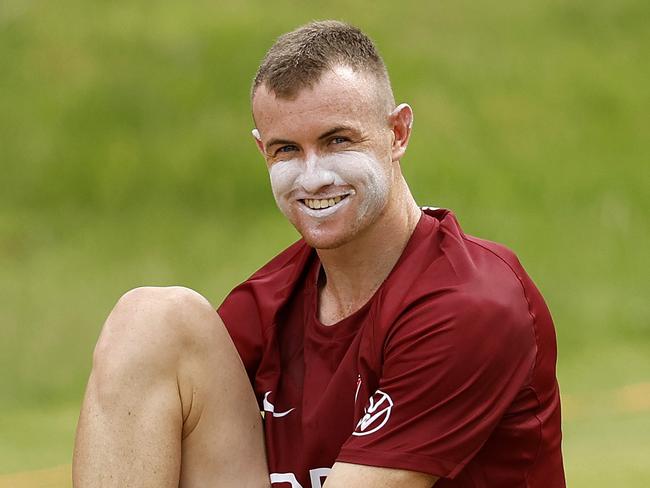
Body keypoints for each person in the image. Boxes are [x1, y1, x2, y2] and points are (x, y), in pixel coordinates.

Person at [73, 21, 566, 488]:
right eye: (286, 150)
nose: (313, 177)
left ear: (397, 134)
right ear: (260, 150)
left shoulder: (471, 304)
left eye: (337, 141)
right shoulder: (266, 306)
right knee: (153, 319)